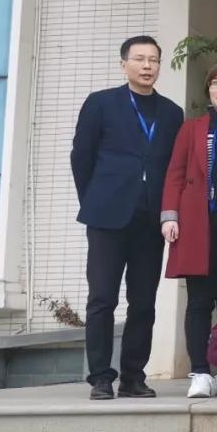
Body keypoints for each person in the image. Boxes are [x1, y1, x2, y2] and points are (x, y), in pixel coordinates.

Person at [71, 36, 184, 400]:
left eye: (153, 60)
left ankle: (133, 376)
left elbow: (173, 168)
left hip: (150, 221)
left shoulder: (171, 113)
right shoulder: (101, 103)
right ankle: (100, 377)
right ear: (124, 65)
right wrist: (94, 199)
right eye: (139, 59)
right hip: (107, 217)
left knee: (144, 302)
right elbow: (81, 156)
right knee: (102, 299)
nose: (147, 66)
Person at [160, 61, 217, 399]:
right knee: (199, 300)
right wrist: (170, 216)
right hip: (198, 222)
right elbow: (175, 172)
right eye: (215, 83)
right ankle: (199, 371)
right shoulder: (193, 128)